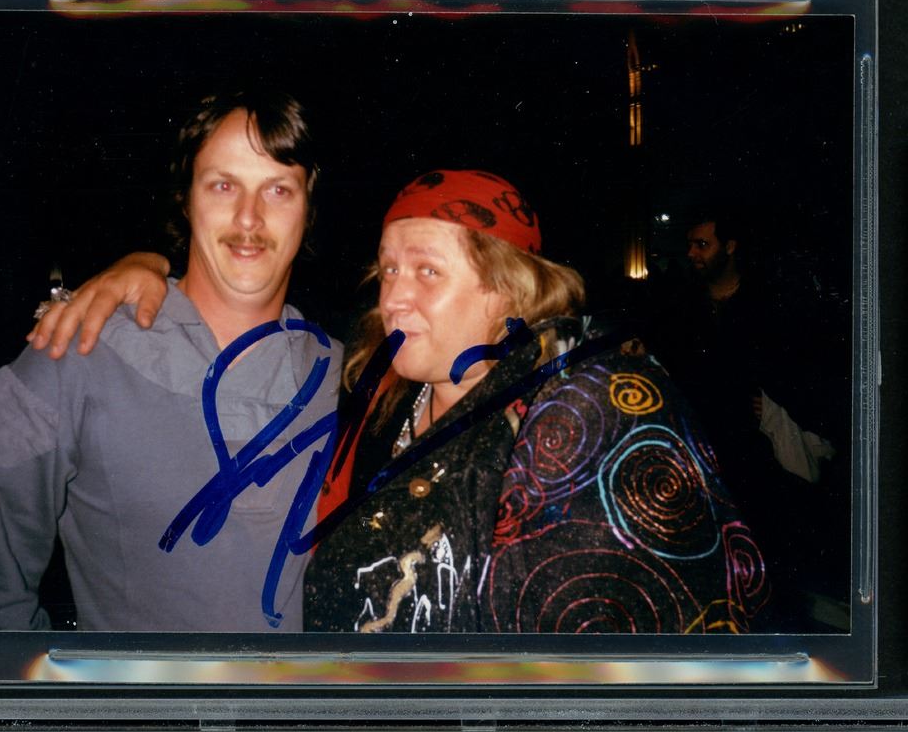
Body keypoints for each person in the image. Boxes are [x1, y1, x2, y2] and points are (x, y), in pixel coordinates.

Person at [38, 171, 771, 634]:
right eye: (388, 269)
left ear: (509, 288)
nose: (393, 296)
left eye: (427, 270)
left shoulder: (582, 412)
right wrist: (147, 267)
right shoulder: (378, 394)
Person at [0, 88, 341, 631]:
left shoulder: (346, 378)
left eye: (278, 190)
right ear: (186, 199)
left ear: (308, 209)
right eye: (223, 186)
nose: (249, 218)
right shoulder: (82, 351)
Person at [645, 205, 847, 629]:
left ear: (730, 246)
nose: (693, 254)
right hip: (704, 442)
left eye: (703, 244)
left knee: (768, 545)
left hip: (759, 450)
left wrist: (774, 402)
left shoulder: (766, 301)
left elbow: (800, 366)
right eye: (690, 245)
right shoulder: (683, 304)